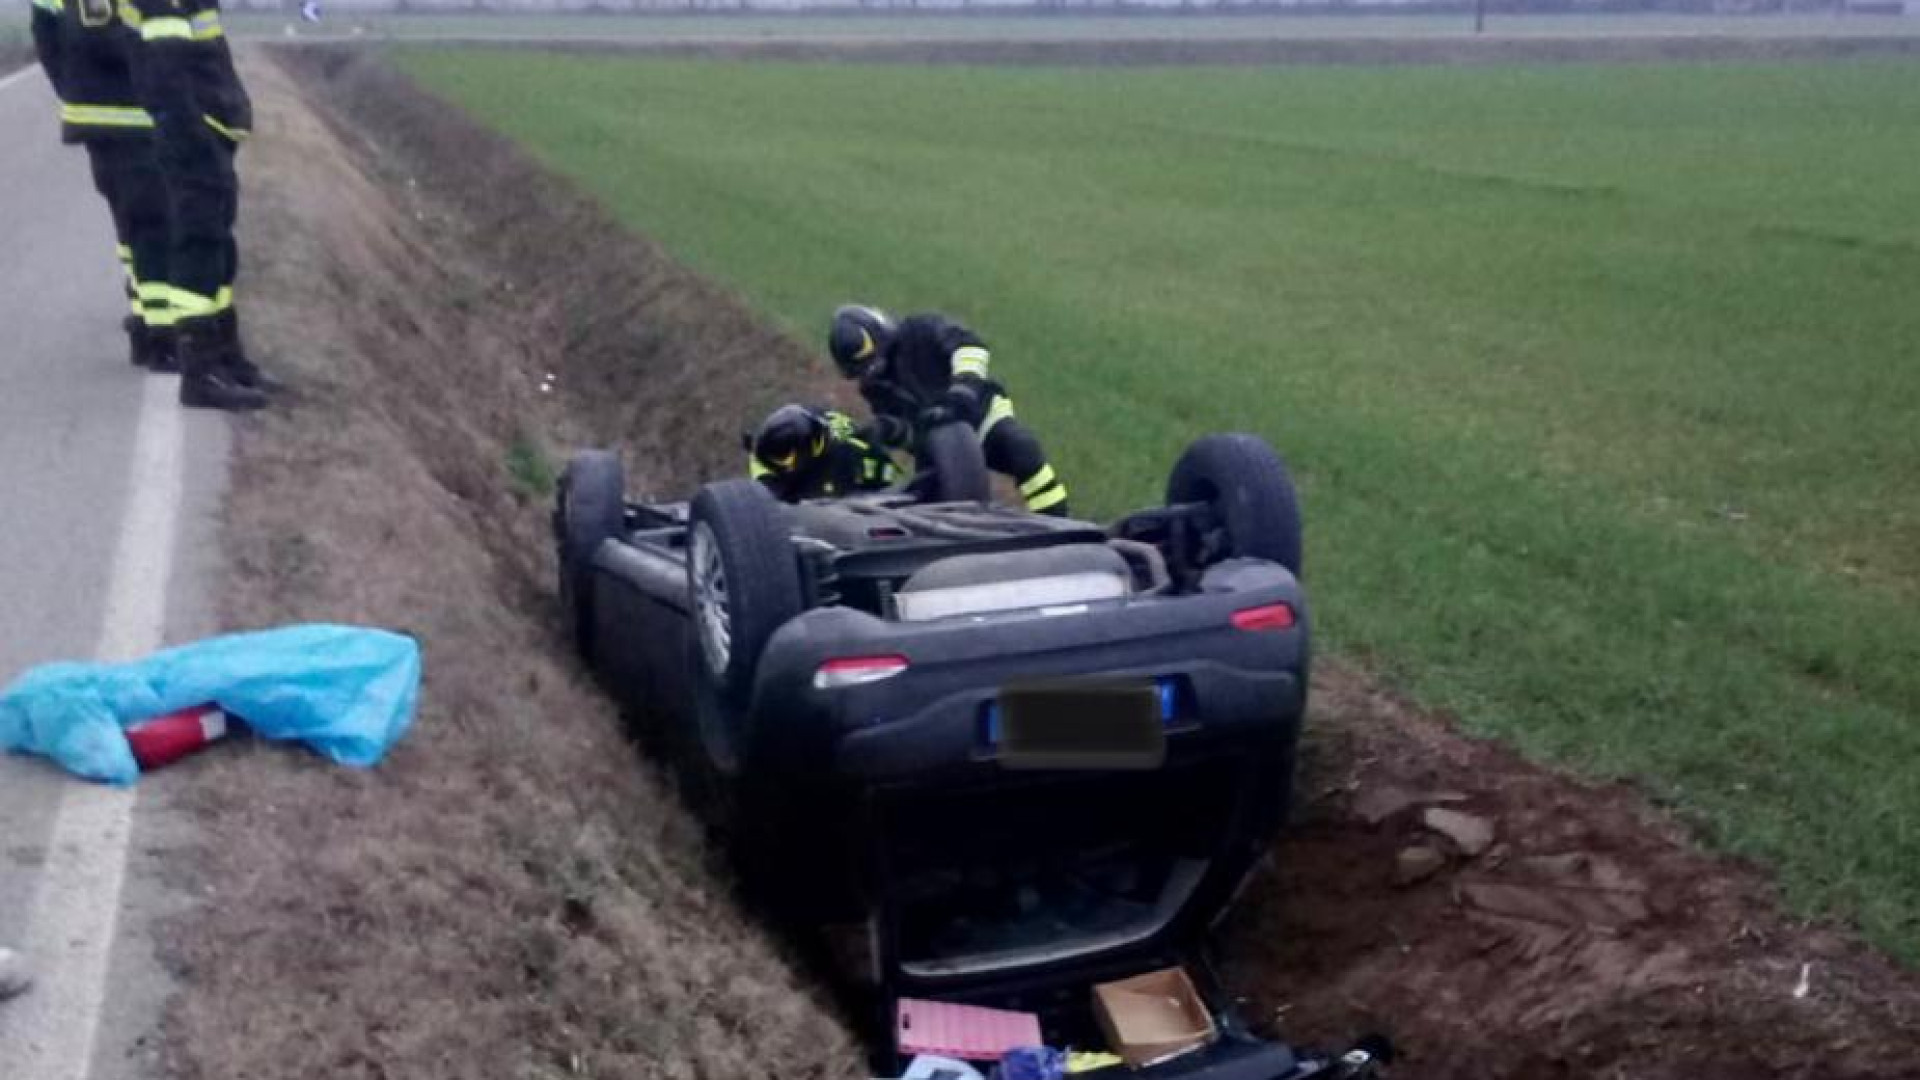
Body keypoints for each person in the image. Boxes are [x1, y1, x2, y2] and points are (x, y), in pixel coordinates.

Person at [126, 0, 273, 410]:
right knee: (199, 241)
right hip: (190, 132)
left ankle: (224, 355)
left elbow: (205, 52)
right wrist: (191, 132)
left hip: (206, 127)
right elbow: (164, 67)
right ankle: (200, 371)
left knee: (217, 244)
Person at [30, 0, 176, 372]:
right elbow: (104, 36)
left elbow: (45, 33)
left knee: (133, 229)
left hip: (103, 114)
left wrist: (72, 89)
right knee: (152, 226)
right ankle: (162, 341)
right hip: (129, 114)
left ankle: (146, 322)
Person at [828, 304, 1069, 517]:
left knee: (1021, 448)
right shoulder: (874, 387)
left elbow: (970, 347)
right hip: (939, 445)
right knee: (933, 504)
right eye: (865, 371)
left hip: (979, 413)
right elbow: (909, 434)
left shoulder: (921, 329)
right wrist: (889, 430)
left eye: (876, 364)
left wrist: (962, 391)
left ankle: (1058, 523)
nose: (874, 374)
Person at [747, 404, 901, 503]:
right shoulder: (763, 458)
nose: (777, 462)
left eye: (782, 456)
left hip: (867, 489)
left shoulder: (843, 456)